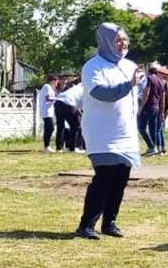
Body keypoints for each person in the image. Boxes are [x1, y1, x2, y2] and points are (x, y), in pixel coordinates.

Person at [75, 23, 145, 239]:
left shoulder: (129, 65)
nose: (123, 44)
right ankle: (86, 225)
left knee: (121, 178)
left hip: (125, 132)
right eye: (118, 40)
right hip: (102, 132)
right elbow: (102, 94)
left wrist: (138, 85)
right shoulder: (92, 67)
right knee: (105, 176)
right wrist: (129, 84)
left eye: (125, 39)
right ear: (105, 42)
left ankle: (110, 222)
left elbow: (137, 93)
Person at [54, 80, 83, 152]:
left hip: (58, 102)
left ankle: (59, 148)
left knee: (60, 126)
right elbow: (82, 107)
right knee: (76, 126)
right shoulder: (85, 90)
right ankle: (72, 148)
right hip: (68, 103)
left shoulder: (76, 87)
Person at [37, 76, 58, 152]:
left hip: (48, 111)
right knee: (50, 128)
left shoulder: (48, 87)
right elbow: (48, 98)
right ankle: (47, 146)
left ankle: (47, 146)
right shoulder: (47, 87)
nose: (56, 84)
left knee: (49, 128)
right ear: (53, 80)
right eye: (56, 82)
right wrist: (58, 98)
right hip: (46, 111)